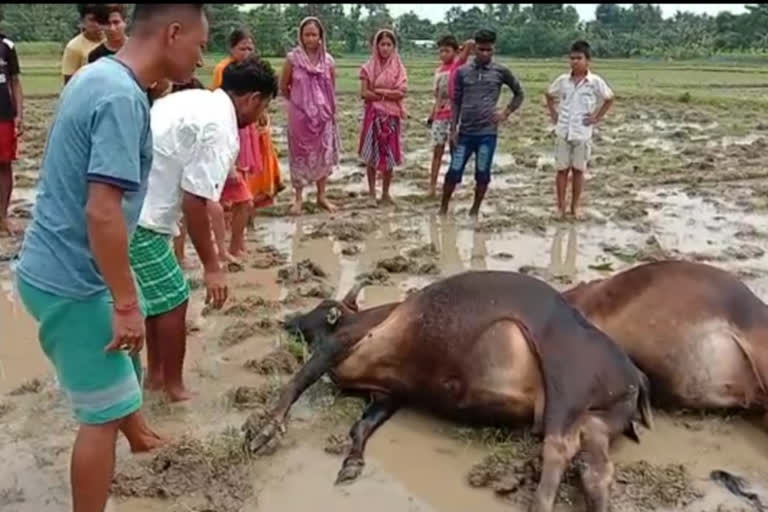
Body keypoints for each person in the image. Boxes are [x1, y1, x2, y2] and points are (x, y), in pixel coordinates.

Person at [14, 5, 208, 512]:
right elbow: (103, 212)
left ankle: (140, 435)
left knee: (119, 372)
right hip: (72, 280)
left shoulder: (99, 75)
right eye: (199, 44)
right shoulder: (123, 99)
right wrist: (125, 302)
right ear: (172, 33)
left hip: (55, 263)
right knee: (98, 417)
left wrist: (124, 296)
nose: (201, 55)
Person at [130, 55, 278, 403]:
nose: (260, 117)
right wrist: (213, 266)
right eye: (265, 106)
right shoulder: (221, 128)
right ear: (252, 99)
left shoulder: (198, 100)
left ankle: (155, 376)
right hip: (142, 215)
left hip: (134, 203)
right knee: (176, 298)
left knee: (156, 298)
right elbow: (196, 202)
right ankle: (175, 389)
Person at [211, 28, 280, 261]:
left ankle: (233, 246)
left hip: (237, 142)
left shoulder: (230, 116)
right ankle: (220, 253)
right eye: (243, 48)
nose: (247, 52)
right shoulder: (218, 121)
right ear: (251, 99)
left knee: (242, 198)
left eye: (251, 48)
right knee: (214, 202)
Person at [439, 29, 524, 218]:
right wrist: (453, 129)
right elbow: (456, 101)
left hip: (487, 134)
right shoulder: (462, 72)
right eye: (481, 50)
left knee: (483, 172)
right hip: (465, 133)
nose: (485, 54)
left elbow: (519, 93)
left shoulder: (501, 71)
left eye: (489, 50)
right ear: (474, 48)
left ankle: (474, 210)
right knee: (454, 170)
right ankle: (443, 209)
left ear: (493, 49)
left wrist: (506, 112)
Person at [545, 40, 614, 220]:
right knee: (561, 170)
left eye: (579, 58)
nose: (575, 62)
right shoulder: (562, 81)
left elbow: (609, 98)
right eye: (572, 58)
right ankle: (560, 207)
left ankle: (575, 207)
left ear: (587, 60)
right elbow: (549, 95)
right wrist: (554, 113)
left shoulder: (594, 82)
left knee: (578, 171)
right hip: (563, 131)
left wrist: (596, 118)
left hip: (582, 133)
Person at [281, 16, 341, 215]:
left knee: (323, 155)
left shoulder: (328, 61)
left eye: (314, 34)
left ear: (320, 36)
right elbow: (284, 86)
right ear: (301, 36)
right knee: (298, 156)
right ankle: (298, 197)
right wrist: (301, 105)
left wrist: (323, 110)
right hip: (299, 118)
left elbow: (331, 89)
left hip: (322, 119)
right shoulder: (292, 59)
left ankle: (321, 195)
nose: (310, 39)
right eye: (306, 34)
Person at [358, 29, 408, 206]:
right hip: (374, 116)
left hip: (392, 117)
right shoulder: (367, 68)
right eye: (382, 44)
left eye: (389, 45)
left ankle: (386, 193)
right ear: (376, 46)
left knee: (390, 156)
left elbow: (402, 92)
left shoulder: (399, 68)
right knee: (371, 156)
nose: (385, 48)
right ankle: (372, 194)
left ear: (394, 47)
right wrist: (388, 95)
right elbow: (364, 93)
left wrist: (379, 92)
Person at [427, 35, 473, 198]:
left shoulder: (458, 65)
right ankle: (432, 186)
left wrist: (461, 49)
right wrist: (432, 115)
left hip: (455, 116)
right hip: (440, 116)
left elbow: (470, 43)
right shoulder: (439, 71)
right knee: (437, 151)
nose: (443, 54)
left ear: (454, 51)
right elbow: (437, 96)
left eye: (447, 51)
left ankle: (453, 185)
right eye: (441, 51)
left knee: (456, 152)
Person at [0, 31, 23, 236]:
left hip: (3, 115)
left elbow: (15, 82)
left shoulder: (7, 45)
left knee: (4, 165)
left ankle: (3, 217)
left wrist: (19, 114)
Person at [62, 4, 106, 84]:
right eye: (92, 20)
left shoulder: (113, 40)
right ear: (82, 22)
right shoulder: (73, 47)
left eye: (100, 19)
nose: (97, 25)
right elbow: (69, 83)